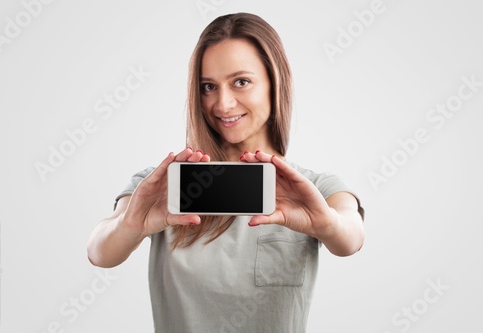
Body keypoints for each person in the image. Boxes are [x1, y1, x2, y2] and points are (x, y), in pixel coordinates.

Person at [87, 12, 365, 332]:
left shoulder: (316, 188)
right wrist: (131, 223)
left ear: (275, 82)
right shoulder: (164, 186)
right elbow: (99, 251)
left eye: (241, 82)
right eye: (208, 86)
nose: (223, 104)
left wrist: (326, 224)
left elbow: (351, 237)